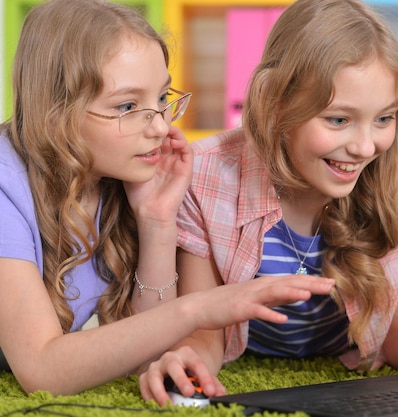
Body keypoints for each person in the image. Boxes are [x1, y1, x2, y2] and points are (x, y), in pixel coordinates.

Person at [0, 0, 335, 399]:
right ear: (55, 112)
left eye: (161, 99)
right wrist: (200, 308)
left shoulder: (114, 176)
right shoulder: (7, 185)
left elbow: (146, 355)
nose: (160, 126)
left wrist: (157, 219)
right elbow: (42, 369)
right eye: (127, 106)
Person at [140, 0, 398, 406]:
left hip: (344, 363)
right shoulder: (209, 178)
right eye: (338, 119)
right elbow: (205, 332)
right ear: (276, 104)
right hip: (248, 356)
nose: (365, 146)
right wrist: (188, 358)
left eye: (384, 118)